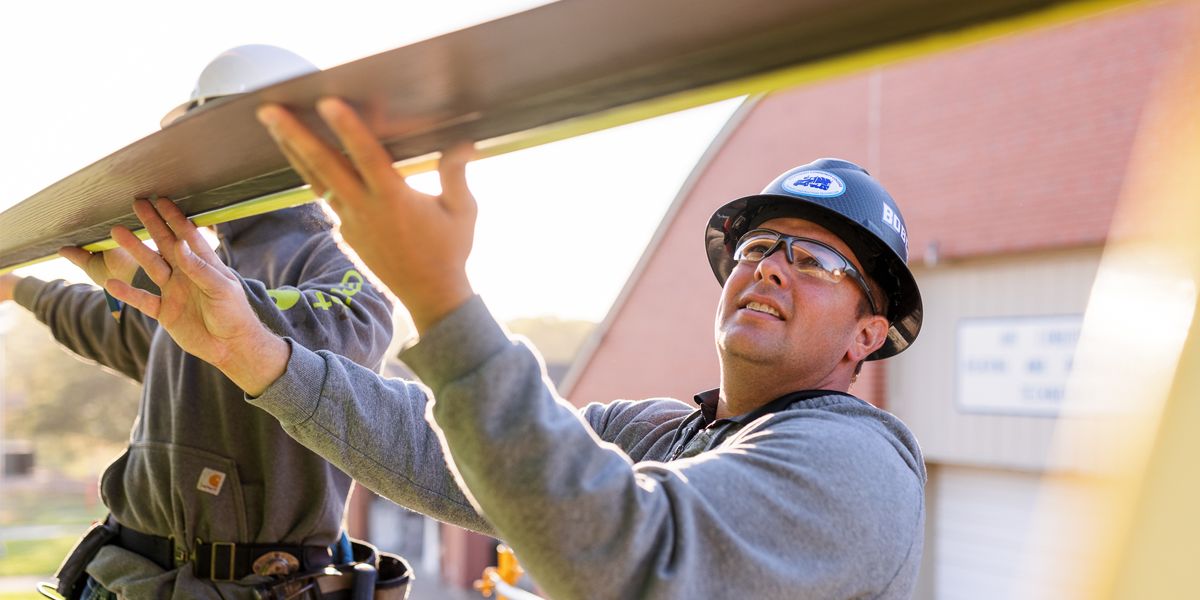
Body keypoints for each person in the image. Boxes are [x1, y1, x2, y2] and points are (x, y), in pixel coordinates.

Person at [106, 96, 927, 600]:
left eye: (816, 260)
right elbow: (447, 447)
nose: (772, 267)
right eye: (757, 248)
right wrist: (255, 354)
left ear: (867, 333)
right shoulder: (663, 434)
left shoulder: (853, 465)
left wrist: (440, 297)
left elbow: (637, 560)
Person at [0, 52, 395, 600]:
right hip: (126, 576)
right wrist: (18, 288)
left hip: (248, 584)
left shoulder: (335, 266)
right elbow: (114, 323)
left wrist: (214, 294)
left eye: (212, 142)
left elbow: (346, 330)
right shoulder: (193, 267)